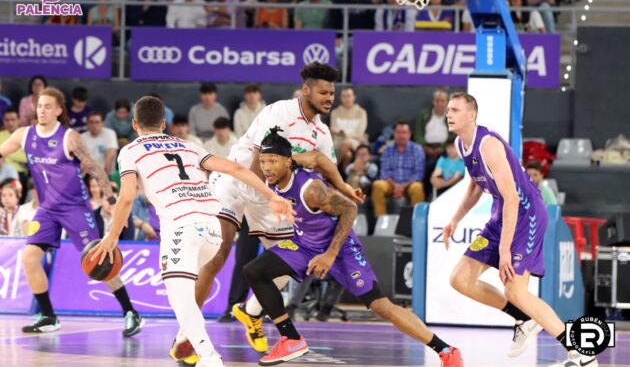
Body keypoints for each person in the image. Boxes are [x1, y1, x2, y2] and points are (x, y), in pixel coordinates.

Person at [172, 63, 364, 362]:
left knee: (294, 261)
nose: (329, 98)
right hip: (236, 181)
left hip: (272, 199)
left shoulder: (322, 133)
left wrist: (345, 189)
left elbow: (327, 169)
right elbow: (257, 164)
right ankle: (187, 335)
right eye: (323, 92)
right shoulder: (279, 113)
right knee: (218, 253)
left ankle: (250, 312)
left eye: (332, 93)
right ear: (306, 90)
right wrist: (270, 197)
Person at [90, 96, 295, 367]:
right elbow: (235, 168)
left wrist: (112, 236)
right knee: (186, 294)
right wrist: (271, 195)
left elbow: (127, 196)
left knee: (180, 297)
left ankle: (209, 357)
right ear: (164, 124)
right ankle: (183, 339)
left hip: (181, 227)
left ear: (135, 124)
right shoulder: (189, 146)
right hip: (212, 229)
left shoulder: (130, 150)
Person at [244, 127, 464, 366]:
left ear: (287, 161)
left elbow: (350, 208)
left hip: (340, 249)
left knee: (381, 307)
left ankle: (446, 351)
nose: (266, 167)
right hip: (304, 243)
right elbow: (317, 157)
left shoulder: (312, 191)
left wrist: (330, 254)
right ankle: (291, 338)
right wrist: (343, 184)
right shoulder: (275, 173)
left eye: (272, 161)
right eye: (263, 161)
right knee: (255, 271)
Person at [444, 92, 596, 367]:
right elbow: (476, 184)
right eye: (448, 110)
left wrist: (504, 250)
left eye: (455, 110)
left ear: (471, 115)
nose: (448, 114)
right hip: (501, 215)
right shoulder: (461, 144)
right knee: (460, 279)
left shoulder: (489, 144)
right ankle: (523, 319)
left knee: (515, 290)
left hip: (527, 214)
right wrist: (455, 219)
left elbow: (513, 198)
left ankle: (581, 353)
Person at [0, 87, 143, 335]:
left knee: (98, 261)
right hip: (46, 209)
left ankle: (130, 312)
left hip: (74, 208)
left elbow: (94, 167)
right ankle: (48, 316)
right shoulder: (24, 134)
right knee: (30, 257)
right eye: (39, 106)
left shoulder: (69, 138)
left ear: (58, 110)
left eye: (47, 106)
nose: (42, 110)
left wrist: (110, 198)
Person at [371, 121, 426, 217]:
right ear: (394, 134)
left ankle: (416, 221)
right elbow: (384, 172)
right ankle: (381, 219)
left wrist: (403, 186)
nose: (401, 135)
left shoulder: (417, 149)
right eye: (398, 132)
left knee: (418, 187)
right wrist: (395, 186)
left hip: (409, 184)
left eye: (404, 132)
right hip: (391, 184)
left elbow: (418, 173)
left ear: (409, 134)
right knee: (378, 185)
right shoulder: (387, 149)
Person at [82, 110, 119, 175]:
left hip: (107, 174)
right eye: (91, 122)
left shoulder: (110, 133)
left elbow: (110, 155)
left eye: (97, 122)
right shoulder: (82, 137)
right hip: (89, 175)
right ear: (87, 124)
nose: (94, 125)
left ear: (102, 123)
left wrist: (104, 176)